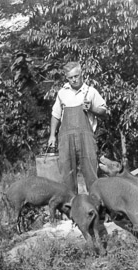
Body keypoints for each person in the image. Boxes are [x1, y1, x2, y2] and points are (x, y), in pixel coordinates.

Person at [47, 61, 108, 194]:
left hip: (86, 139)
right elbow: (55, 115)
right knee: (67, 176)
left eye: (76, 76)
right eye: (70, 77)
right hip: (65, 140)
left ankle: (95, 208)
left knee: (91, 174)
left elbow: (104, 112)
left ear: (82, 74)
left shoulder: (90, 92)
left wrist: (91, 108)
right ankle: (70, 210)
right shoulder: (62, 93)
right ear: (67, 78)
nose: (74, 80)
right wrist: (52, 135)